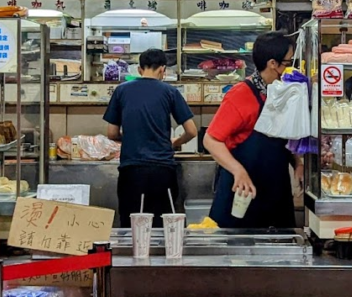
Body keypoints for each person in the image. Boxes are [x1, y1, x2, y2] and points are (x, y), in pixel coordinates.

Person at [204, 31, 300, 228]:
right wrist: (238, 170)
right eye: (289, 62)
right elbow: (211, 140)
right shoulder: (240, 95)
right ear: (273, 63)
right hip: (242, 196)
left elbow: (285, 138)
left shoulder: (282, 92)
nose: (292, 67)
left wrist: (298, 164)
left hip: (275, 194)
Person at [104, 48, 197, 226]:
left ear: (139, 70)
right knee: (162, 228)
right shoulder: (170, 92)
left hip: (131, 172)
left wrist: (133, 136)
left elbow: (112, 133)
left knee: (131, 229)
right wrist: (175, 142)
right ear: (163, 69)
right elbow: (192, 131)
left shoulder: (121, 91)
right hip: (162, 172)